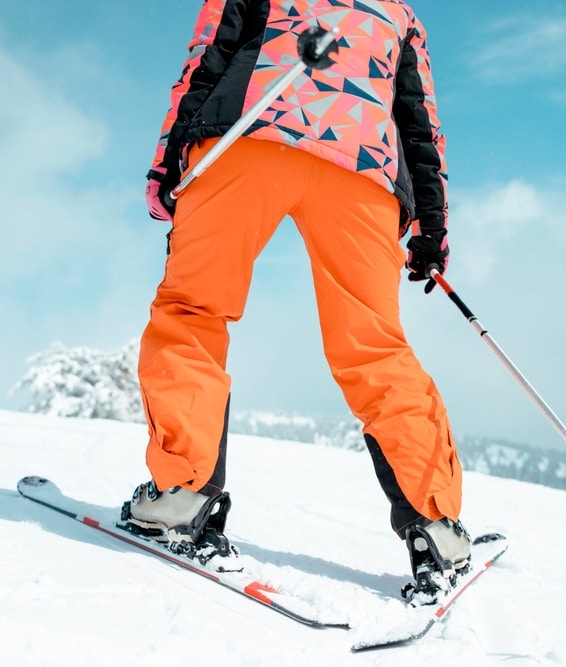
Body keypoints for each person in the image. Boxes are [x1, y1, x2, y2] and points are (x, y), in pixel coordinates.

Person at [125, 0, 469, 600]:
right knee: (373, 349)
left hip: (246, 136)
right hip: (362, 170)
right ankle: (435, 526)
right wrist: (432, 230)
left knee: (194, 309)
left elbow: (204, 63)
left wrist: (166, 164)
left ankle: (183, 496)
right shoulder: (398, 15)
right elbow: (420, 124)